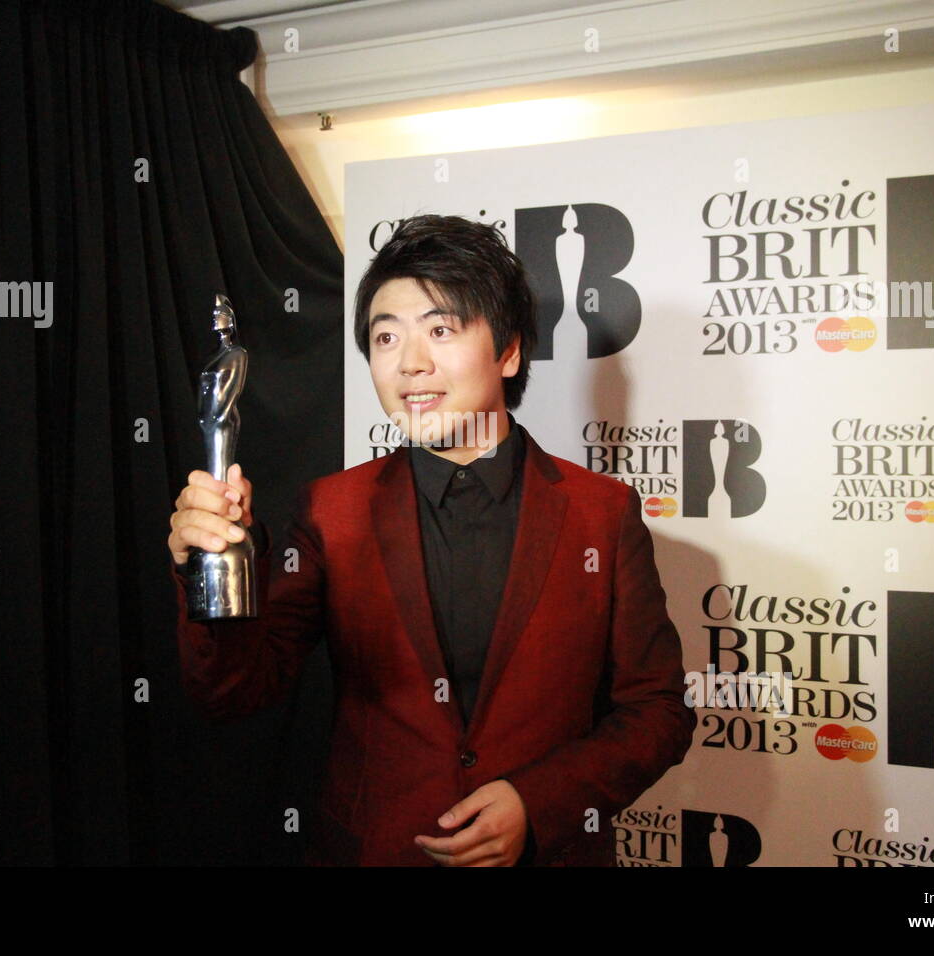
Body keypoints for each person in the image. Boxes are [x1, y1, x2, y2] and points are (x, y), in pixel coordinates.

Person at [168, 214, 694, 866]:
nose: (410, 364)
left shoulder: (601, 515)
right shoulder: (333, 510)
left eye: (440, 330)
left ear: (508, 350)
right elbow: (234, 691)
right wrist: (214, 569)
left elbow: (657, 713)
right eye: (386, 337)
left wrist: (537, 802)